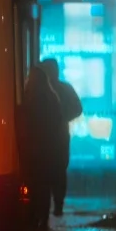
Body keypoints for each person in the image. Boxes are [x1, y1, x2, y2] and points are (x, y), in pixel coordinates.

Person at [21, 66, 65, 230]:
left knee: (32, 184)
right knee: (44, 185)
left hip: (32, 149)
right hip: (48, 149)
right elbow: (57, 121)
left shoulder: (29, 98)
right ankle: (44, 219)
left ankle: (33, 218)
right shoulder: (52, 98)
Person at [40, 58, 83, 216]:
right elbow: (78, 108)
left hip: (44, 138)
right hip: (60, 136)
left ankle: (47, 208)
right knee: (59, 171)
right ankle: (58, 206)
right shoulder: (65, 88)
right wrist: (63, 118)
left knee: (46, 172)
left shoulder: (39, 90)